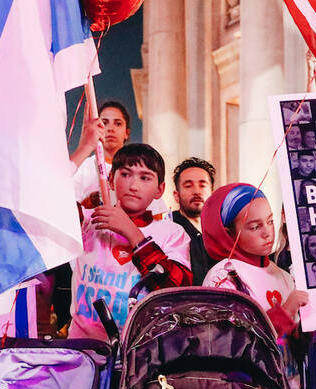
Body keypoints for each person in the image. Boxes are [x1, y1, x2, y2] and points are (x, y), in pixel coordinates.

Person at [69, 143, 192, 340]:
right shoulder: (88, 221)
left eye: (145, 178)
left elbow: (177, 290)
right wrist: (85, 145)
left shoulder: (172, 233)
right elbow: (51, 198)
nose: (133, 186)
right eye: (125, 174)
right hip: (84, 352)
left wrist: (133, 233)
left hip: (145, 355)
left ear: (160, 189)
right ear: (110, 180)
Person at [201, 184, 308, 389]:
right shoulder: (225, 276)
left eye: (270, 221)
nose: (268, 233)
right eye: (255, 226)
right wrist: (286, 311)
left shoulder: (284, 276)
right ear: (229, 232)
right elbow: (229, 340)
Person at [70, 99, 169, 217]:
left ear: (126, 132)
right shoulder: (82, 168)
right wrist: (90, 202)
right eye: (104, 123)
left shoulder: (144, 167)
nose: (111, 128)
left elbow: (156, 216)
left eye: (118, 123)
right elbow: (70, 210)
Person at [170, 157, 218, 285]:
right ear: (176, 195)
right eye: (188, 186)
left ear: (212, 193)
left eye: (202, 185)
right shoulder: (169, 229)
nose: (196, 191)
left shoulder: (222, 232)